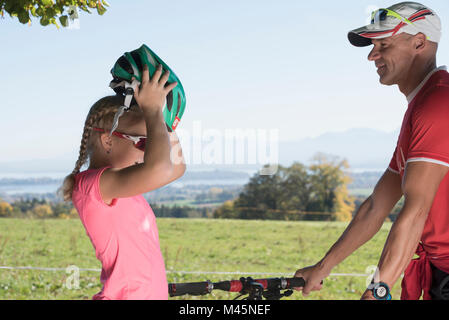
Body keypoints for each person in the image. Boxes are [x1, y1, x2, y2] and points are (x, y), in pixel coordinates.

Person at [294, 1, 449, 300]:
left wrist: (378, 290)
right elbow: (377, 205)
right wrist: (323, 267)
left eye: (384, 45)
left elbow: (416, 211)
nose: (371, 55)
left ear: (419, 42)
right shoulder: (422, 105)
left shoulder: (438, 104)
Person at [58, 64, 186, 299]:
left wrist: (165, 120)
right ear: (107, 141)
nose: (149, 153)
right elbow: (161, 167)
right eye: (142, 143)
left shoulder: (122, 186)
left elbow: (176, 168)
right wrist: (152, 110)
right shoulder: (93, 186)